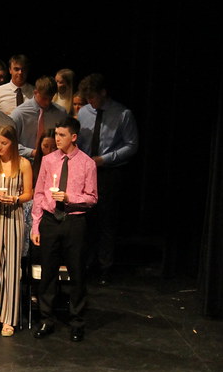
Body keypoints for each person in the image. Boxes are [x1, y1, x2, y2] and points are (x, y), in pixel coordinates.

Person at [31, 117, 98, 342]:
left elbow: (92, 198)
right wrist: (36, 225)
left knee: (77, 272)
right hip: (51, 220)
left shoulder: (87, 163)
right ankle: (46, 319)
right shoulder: (49, 160)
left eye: (61, 135)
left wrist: (70, 197)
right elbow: (39, 193)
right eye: (56, 134)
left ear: (73, 137)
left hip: (74, 221)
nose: (57, 139)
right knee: (48, 272)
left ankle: (77, 321)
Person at [76, 73, 138, 283]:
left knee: (106, 221)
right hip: (85, 173)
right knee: (86, 220)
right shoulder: (84, 112)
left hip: (109, 173)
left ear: (103, 93)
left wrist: (104, 159)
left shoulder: (122, 114)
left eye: (93, 97)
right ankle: (86, 264)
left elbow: (131, 145)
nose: (90, 102)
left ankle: (105, 268)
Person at [0, 125, 33, 336]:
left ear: (13, 143)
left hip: (14, 216)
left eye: (4, 143)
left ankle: (9, 318)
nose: (0, 147)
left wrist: (16, 199)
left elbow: (28, 193)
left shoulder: (24, 164)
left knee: (10, 267)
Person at [11, 75, 67, 160]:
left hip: (53, 161)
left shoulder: (60, 114)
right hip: (25, 161)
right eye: (44, 98)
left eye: (50, 98)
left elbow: (65, 140)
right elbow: (10, 142)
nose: (47, 102)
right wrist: (32, 152)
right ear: (35, 92)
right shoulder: (20, 113)